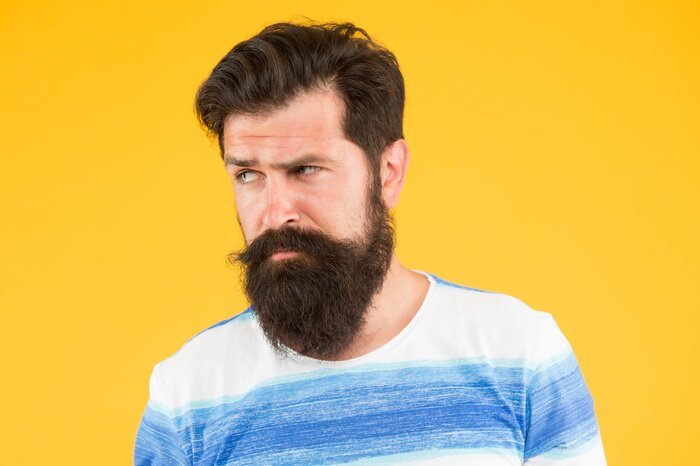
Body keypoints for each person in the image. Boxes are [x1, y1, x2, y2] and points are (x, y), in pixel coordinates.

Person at [134, 21, 606, 465]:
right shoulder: (187, 397)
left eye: (306, 169)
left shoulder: (522, 357)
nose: (275, 213)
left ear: (389, 173)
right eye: (247, 174)